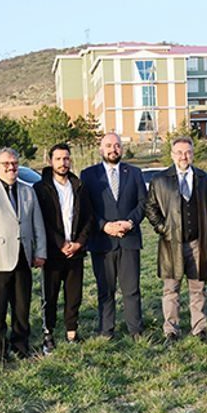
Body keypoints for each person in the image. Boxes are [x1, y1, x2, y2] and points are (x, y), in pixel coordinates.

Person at [0, 147, 46, 360]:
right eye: (6, 164)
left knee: (21, 307)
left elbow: (37, 224)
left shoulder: (28, 191)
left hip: (23, 256)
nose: (11, 167)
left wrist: (40, 251)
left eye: (14, 163)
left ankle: (21, 346)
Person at [146, 137, 207, 341]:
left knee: (198, 288)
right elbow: (150, 207)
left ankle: (199, 328)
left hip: (198, 243)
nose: (183, 156)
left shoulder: (205, 180)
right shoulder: (160, 180)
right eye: (179, 152)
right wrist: (163, 229)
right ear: (172, 155)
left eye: (187, 152)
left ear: (193, 154)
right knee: (171, 289)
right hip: (171, 243)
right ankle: (171, 329)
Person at [80, 133, 146, 338]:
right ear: (101, 149)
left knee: (131, 290)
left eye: (117, 145)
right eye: (108, 145)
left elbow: (143, 203)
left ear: (122, 149)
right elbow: (86, 208)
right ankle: (106, 330)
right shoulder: (88, 175)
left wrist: (130, 222)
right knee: (105, 290)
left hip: (129, 239)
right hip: (102, 241)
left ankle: (135, 330)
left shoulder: (134, 173)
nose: (113, 149)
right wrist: (104, 226)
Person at [34, 143, 93, 351]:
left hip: (75, 251)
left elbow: (89, 217)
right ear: (50, 161)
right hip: (52, 252)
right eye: (58, 159)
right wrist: (60, 243)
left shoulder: (79, 186)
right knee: (50, 296)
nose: (63, 163)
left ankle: (72, 332)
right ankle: (48, 333)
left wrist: (79, 243)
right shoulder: (41, 188)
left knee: (74, 295)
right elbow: (42, 220)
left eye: (66, 158)